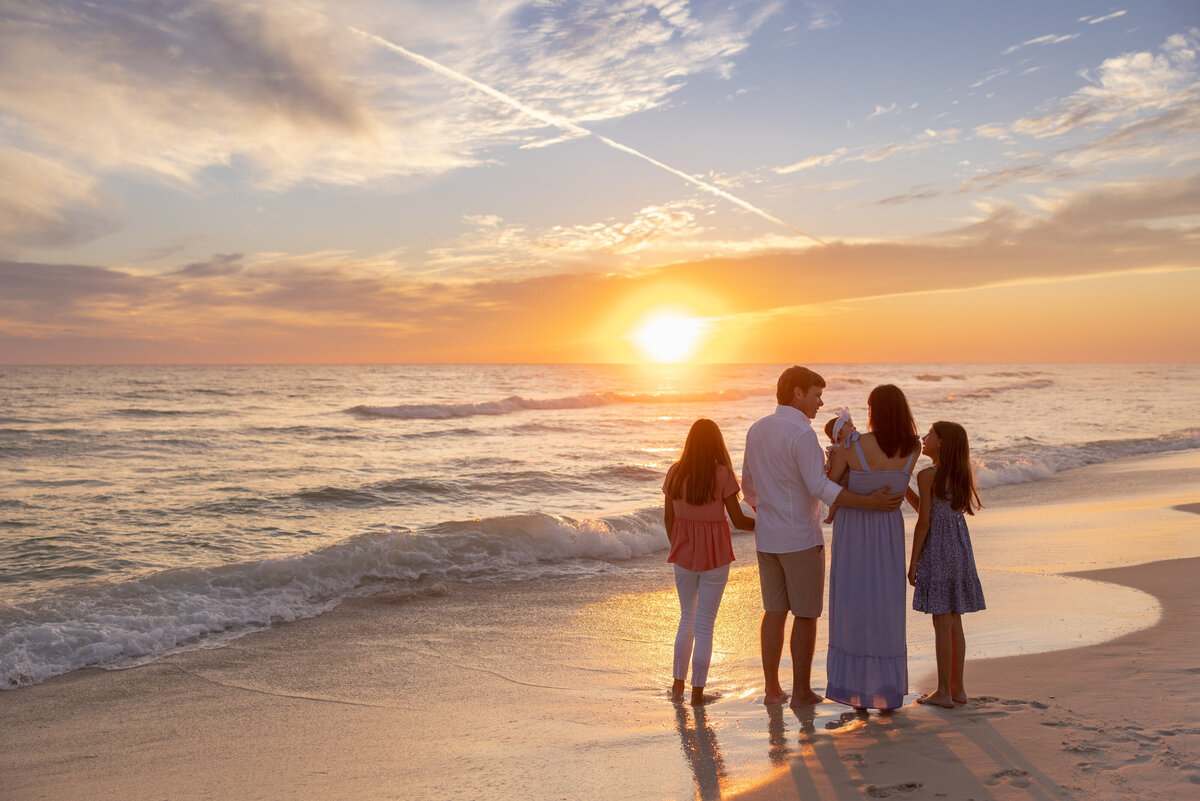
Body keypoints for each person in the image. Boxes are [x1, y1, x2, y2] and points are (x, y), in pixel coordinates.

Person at [742, 367, 904, 707]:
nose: (821, 403)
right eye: (816, 395)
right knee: (805, 615)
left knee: (773, 612)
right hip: (800, 537)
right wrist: (869, 502)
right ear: (797, 392)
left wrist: (770, 514)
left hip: (767, 537)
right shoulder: (802, 435)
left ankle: (772, 690)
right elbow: (820, 487)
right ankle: (800, 692)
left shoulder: (756, 429)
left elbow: (749, 488)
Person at [824, 384, 920, 710]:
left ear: (874, 411)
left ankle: (856, 694)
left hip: (854, 531)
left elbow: (832, 484)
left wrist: (835, 461)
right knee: (885, 606)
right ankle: (887, 691)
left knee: (853, 604)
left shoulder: (854, 445)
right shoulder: (914, 447)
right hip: (888, 532)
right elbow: (900, 483)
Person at [664, 418, 755, 706]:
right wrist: (770, 524)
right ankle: (698, 694)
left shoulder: (675, 472)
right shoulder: (722, 474)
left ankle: (677, 689)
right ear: (716, 443)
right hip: (715, 555)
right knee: (705, 624)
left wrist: (679, 544)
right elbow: (739, 521)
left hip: (683, 554)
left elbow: (669, 518)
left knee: (686, 619)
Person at [908, 421, 986, 708]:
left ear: (941, 442)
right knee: (954, 620)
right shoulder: (959, 473)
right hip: (959, 546)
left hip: (939, 547)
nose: (924, 438)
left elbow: (924, 521)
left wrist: (914, 560)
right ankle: (957, 689)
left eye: (930, 434)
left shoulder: (927, 474)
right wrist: (905, 489)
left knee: (941, 620)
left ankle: (942, 692)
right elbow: (931, 508)